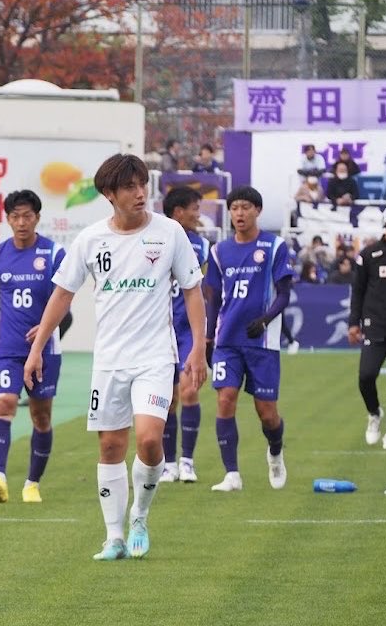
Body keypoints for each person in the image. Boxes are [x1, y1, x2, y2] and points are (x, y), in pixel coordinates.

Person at [23, 153, 208, 561]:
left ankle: (140, 516)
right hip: (108, 360)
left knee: (149, 439)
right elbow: (62, 294)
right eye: (129, 187)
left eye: (142, 184)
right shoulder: (90, 240)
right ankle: (114, 536)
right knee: (110, 447)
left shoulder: (170, 232)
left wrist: (198, 347)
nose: (140, 192)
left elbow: (193, 290)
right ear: (109, 194)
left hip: (156, 356)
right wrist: (37, 349)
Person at [0, 190, 65, 504]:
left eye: (27, 216)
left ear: (38, 218)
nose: (21, 222)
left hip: (44, 351)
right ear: (7, 219)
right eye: (15, 216)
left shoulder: (54, 254)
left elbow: (63, 301)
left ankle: (32, 483)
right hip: (6, 348)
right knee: (3, 406)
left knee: (41, 417)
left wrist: (47, 325)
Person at [205, 186, 291, 492]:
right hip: (227, 340)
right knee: (225, 399)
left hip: (262, 341)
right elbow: (214, 299)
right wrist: (208, 338)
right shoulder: (219, 251)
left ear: (257, 210)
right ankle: (232, 474)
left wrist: (265, 320)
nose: (239, 213)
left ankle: (276, 452)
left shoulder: (274, 246)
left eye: (245, 207)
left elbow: (284, 294)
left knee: (267, 413)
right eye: (234, 208)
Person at [160, 186, 210, 483]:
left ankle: (187, 461)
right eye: (194, 209)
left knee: (189, 391)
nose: (198, 214)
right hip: (162, 331)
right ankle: (168, 464)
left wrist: (205, 334)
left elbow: (205, 292)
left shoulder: (201, 246)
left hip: (188, 330)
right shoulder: (154, 241)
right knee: (167, 399)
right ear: (178, 212)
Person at [351, 200, 386, 450]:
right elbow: (357, 292)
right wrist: (354, 323)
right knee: (366, 376)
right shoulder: (369, 255)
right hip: (377, 326)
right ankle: (374, 413)